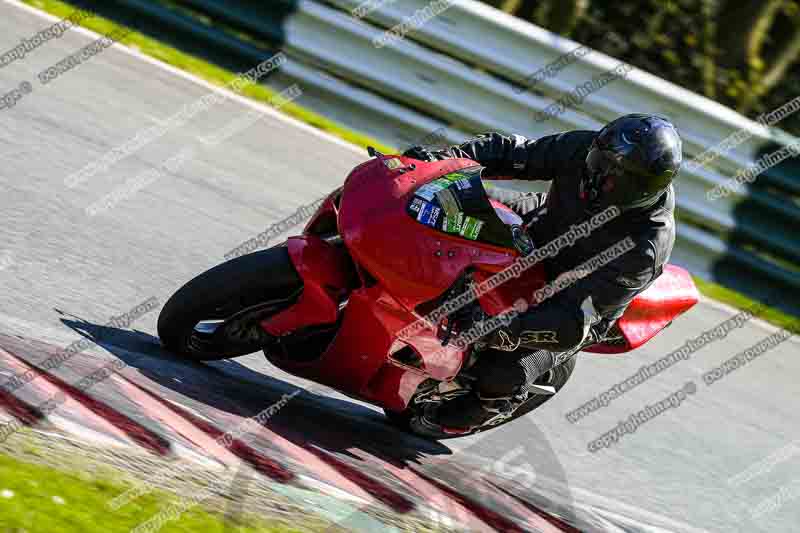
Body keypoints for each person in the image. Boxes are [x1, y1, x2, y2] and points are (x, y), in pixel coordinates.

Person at [402, 113, 682, 430]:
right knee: (442, 195)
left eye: (615, 177)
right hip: (541, 222)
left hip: (574, 299)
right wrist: (445, 162)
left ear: (642, 188)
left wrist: (497, 326)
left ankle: (490, 404)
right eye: (599, 163)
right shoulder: (582, 146)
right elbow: (511, 152)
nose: (598, 177)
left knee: (502, 369)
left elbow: (576, 320)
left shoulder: (646, 245)